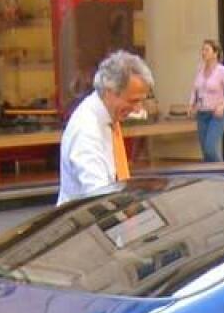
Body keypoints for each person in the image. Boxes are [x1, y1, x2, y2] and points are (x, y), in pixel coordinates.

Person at [57, 50, 153, 205]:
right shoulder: (86, 131)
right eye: (133, 101)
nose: (138, 109)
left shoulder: (108, 118)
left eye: (141, 101)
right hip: (88, 225)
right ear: (109, 92)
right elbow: (99, 196)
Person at [188, 39, 224, 162]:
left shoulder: (222, 71)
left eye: (207, 50)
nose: (203, 52)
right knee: (205, 152)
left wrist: (223, 105)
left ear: (215, 53)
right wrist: (191, 105)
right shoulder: (200, 69)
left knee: (210, 148)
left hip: (216, 115)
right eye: (202, 50)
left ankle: (223, 173)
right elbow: (195, 89)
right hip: (202, 114)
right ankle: (211, 178)